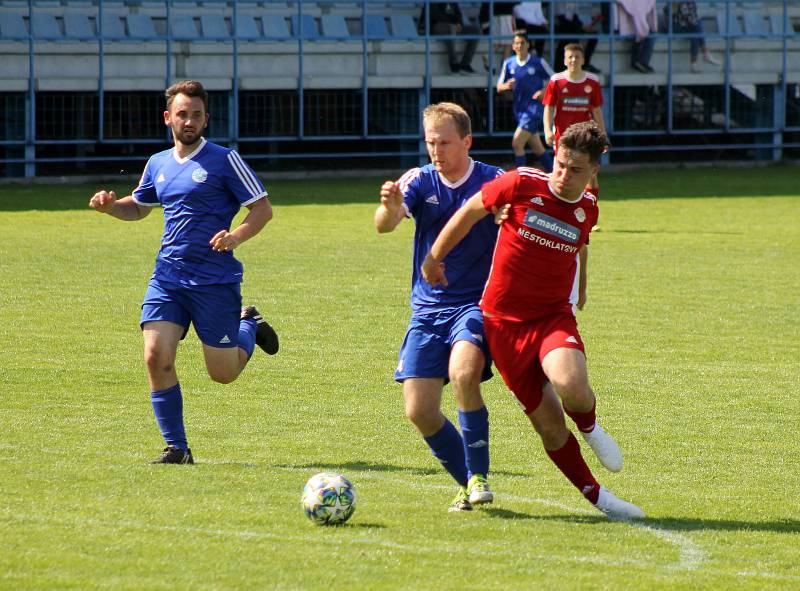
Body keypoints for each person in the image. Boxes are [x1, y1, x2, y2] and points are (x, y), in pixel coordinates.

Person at [420, 121, 644, 521]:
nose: (563, 174)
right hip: (502, 325)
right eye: (559, 164)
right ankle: (600, 498)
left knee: (571, 385)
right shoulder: (521, 183)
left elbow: (581, 246)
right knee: (551, 428)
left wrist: (582, 289)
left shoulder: (588, 208)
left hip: (551, 317)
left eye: (575, 170)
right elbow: (470, 212)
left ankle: (592, 428)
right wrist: (434, 257)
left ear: (593, 171)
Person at [88, 80, 279, 465]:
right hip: (168, 278)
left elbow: (262, 209)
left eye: (195, 114)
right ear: (167, 118)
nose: (188, 121)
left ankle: (249, 324)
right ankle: (177, 447)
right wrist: (111, 207)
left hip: (214, 282)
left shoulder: (225, 160)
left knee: (223, 374)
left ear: (206, 118)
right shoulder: (157, 164)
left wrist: (236, 236)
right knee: (155, 355)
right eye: (181, 114)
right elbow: (139, 207)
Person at [374, 102, 504, 512]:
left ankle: (480, 475)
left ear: (467, 141)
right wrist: (391, 208)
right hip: (427, 310)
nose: (436, 151)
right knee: (419, 410)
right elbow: (384, 224)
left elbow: (512, 216)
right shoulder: (418, 180)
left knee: (463, 373)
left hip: (474, 305)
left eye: (445, 143)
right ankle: (466, 481)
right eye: (430, 142)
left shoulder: (491, 180)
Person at [496, 31, 554, 171]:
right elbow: (499, 86)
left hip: (534, 110)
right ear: (513, 46)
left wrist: (544, 91)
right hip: (519, 110)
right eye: (517, 43)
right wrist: (506, 86)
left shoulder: (537, 62)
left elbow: (555, 80)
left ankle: (520, 178)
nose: (519, 45)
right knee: (537, 148)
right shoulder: (509, 63)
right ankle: (553, 174)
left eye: (522, 43)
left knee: (517, 143)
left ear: (528, 45)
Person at [542, 43, 606, 153]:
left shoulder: (593, 81)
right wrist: (547, 131)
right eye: (570, 57)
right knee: (562, 167)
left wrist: (602, 135)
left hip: (585, 135)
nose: (574, 60)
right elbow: (549, 108)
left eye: (577, 57)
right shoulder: (556, 81)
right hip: (562, 134)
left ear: (583, 60)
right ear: (564, 61)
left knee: (584, 167)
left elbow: (596, 110)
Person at [422, 3, 481, 73]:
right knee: (451, 28)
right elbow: (434, 14)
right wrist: (452, 23)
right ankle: (454, 63)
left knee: (476, 31)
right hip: (436, 26)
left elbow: (458, 13)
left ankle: (465, 64)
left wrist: (459, 23)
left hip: (453, 26)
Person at [552, 2, 605, 74]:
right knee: (571, 33)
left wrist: (584, 26)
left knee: (593, 35)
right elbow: (561, 19)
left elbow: (575, 17)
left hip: (571, 26)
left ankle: (584, 64)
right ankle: (559, 66)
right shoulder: (558, 3)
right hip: (557, 25)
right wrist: (581, 27)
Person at [669, 1, 720, 72]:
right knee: (697, 28)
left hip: (687, 25)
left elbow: (692, 17)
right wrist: (696, 22)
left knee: (695, 34)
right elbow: (686, 16)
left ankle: (695, 64)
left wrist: (696, 21)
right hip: (676, 26)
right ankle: (705, 54)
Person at [616, 0, 658, 73]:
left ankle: (637, 62)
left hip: (633, 25)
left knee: (643, 33)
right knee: (647, 33)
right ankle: (641, 62)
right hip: (627, 25)